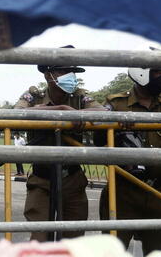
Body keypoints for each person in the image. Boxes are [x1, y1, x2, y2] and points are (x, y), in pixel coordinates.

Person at [99, 59, 161, 255]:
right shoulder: (116, 103)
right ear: (141, 73)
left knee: (159, 256)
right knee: (112, 254)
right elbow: (98, 137)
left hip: (160, 192)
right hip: (123, 191)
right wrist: (115, 124)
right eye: (158, 72)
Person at [14, 48, 102, 241]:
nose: (71, 76)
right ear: (48, 75)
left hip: (72, 178)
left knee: (73, 242)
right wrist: (61, 110)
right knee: (39, 240)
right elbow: (16, 114)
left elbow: (103, 113)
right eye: (64, 71)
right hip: (41, 179)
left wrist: (78, 114)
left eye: (73, 72)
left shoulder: (80, 97)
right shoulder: (34, 96)